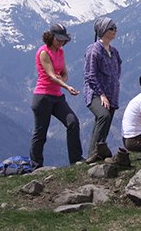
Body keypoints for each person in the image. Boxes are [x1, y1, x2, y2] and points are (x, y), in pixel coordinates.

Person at [30, 24, 83, 168]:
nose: (61, 42)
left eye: (63, 40)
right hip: (43, 96)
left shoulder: (60, 52)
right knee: (41, 133)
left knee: (72, 122)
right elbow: (52, 75)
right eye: (58, 39)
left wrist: (63, 80)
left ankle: (76, 159)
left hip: (57, 96)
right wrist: (66, 86)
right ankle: (36, 166)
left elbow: (64, 73)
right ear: (51, 37)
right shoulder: (43, 52)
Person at [83, 17, 122, 163]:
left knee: (105, 122)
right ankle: (95, 152)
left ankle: (94, 153)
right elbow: (90, 75)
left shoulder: (114, 52)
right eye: (111, 28)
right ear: (103, 31)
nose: (115, 31)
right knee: (103, 116)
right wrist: (101, 95)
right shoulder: (94, 50)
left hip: (112, 92)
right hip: (95, 93)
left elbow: (117, 70)